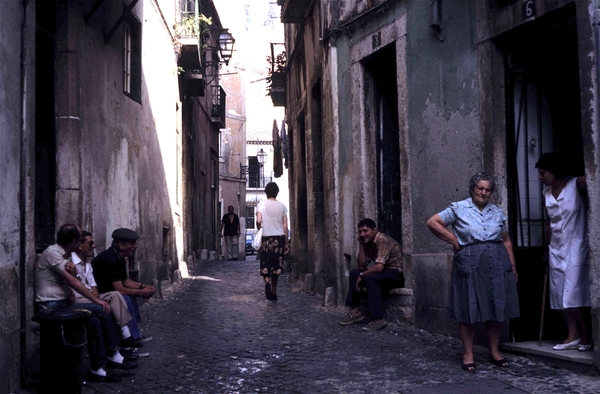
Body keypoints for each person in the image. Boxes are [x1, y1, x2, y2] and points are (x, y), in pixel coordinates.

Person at [426, 172, 519, 372]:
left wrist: (512, 266)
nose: (484, 193)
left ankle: (494, 351)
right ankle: (468, 353)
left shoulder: (497, 212)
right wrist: (453, 240)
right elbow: (433, 222)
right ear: (473, 189)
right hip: (469, 260)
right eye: (480, 188)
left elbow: (506, 239)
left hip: (496, 259)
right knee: (467, 307)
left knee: (497, 305)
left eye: (488, 190)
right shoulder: (459, 208)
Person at [35, 224, 137, 383]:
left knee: (95, 321)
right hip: (52, 307)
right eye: (84, 240)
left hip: (64, 304)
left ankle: (99, 368)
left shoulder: (65, 256)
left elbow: (66, 280)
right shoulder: (53, 253)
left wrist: (72, 285)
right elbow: (74, 282)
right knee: (102, 309)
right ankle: (116, 351)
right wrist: (96, 300)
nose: (92, 245)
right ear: (75, 241)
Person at [536, 152, 592, 351]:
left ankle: (586, 335)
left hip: (576, 245)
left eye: (543, 173)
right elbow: (549, 222)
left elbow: (594, 175)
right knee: (560, 293)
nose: (540, 177)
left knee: (574, 291)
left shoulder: (576, 185)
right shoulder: (546, 193)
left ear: (555, 171)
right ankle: (572, 334)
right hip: (556, 248)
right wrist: (546, 246)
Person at [71, 231, 143, 356]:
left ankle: (127, 334)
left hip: (93, 296)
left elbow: (94, 289)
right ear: (79, 245)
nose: (93, 246)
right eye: (90, 243)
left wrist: (142, 287)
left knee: (116, 296)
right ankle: (116, 350)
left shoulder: (88, 264)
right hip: (80, 298)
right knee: (111, 306)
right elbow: (77, 287)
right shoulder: (70, 263)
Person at [92, 228, 155, 349]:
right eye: (132, 243)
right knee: (125, 297)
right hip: (101, 294)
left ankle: (135, 332)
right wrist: (142, 293)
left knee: (129, 296)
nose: (135, 246)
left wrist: (143, 286)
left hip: (111, 293)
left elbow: (125, 280)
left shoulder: (118, 257)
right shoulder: (110, 258)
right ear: (121, 245)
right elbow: (120, 289)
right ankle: (132, 337)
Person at [338, 218, 404, 332]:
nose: (362, 234)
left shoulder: (383, 240)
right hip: (383, 273)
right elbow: (362, 265)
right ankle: (355, 312)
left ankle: (378, 319)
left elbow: (379, 267)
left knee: (370, 277)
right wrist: (362, 246)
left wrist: (363, 275)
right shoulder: (368, 242)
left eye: (365, 231)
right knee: (354, 273)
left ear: (374, 230)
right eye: (360, 232)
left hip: (395, 274)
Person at [256, 182, 289, 300]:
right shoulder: (282, 207)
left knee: (265, 264)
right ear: (277, 192)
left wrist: (260, 228)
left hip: (266, 238)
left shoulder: (261, 205)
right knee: (276, 267)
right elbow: (285, 226)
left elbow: (259, 221)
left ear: (266, 192)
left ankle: (267, 283)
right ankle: (274, 291)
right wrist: (286, 243)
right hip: (279, 239)